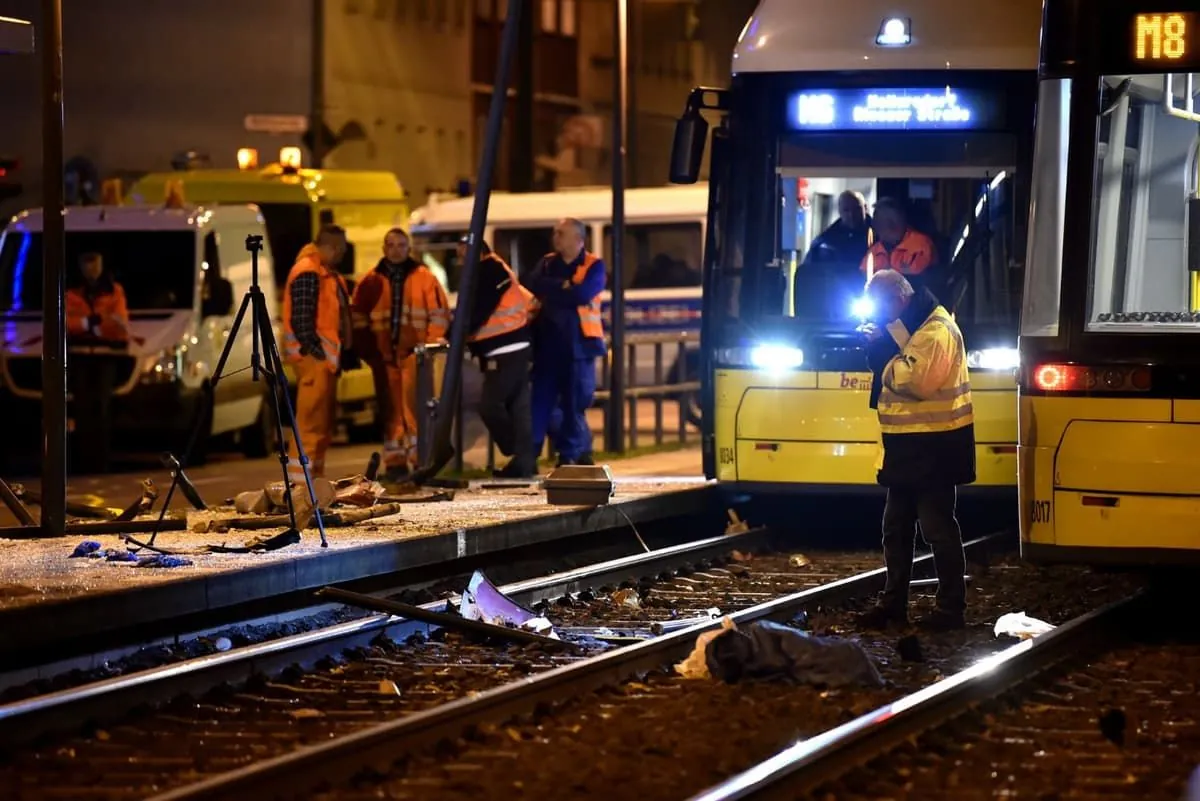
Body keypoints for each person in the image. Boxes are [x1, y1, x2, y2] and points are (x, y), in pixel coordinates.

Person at [855, 269, 975, 631]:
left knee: (937, 529)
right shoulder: (913, 322)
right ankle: (894, 605)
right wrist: (884, 340)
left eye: (881, 306)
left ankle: (951, 609)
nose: (879, 313)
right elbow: (905, 354)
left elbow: (918, 380)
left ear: (900, 298)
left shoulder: (937, 329)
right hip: (909, 448)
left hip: (936, 447)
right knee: (896, 528)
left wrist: (881, 356)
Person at [350, 227, 449, 480]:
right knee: (390, 411)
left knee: (413, 409)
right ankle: (395, 462)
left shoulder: (424, 278)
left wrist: (427, 348)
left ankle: (418, 461)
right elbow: (358, 319)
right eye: (391, 245)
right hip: (384, 357)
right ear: (384, 249)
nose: (396, 250)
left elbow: (439, 315)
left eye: (401, 245)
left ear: (409, 249)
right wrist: (369, 353)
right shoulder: (370, 281)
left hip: (414, 355)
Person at [522, 217, 606, 468]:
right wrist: (564, 286)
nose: (555, 237)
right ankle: (530, 456)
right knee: (540, 404)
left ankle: (570, 454)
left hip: (578, 347)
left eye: (561, 233)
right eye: (555, 233)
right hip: (546, 346)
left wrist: (556, 292)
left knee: (574, 404)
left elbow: (582, 295)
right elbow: (533, 284)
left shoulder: (594, 265)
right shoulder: (548, 262)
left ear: (578, 239)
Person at [459, 235, 536, 478]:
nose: (461, 262)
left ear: (478, 253)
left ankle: (516, 450)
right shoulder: (496, 269)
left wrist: (457, 333)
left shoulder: (489, 270)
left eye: (463, 256)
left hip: (506, 348)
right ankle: (524, 462)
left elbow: (479, 309)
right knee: (518, 407)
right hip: (514, 346)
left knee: (490, 404)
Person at [282, 225, 353, 480]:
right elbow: (302, 321)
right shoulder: (308, 272)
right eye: (340, 251)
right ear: (331, 248)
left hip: (321, 362)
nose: (341, 256)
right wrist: (318, 354)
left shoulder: (324, 273)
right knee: (310, 427)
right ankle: (301, 486)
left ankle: (314, 484)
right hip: (313, 362)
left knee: (320, 429)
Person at [66, 252, 129, 473]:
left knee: (101, 410)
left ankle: (101, 460)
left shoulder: (113, 290)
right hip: (80, 356)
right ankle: (85, 461)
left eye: (94, 261)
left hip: (104, 357)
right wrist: (89, 323)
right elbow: (64, 323)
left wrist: (87, 326)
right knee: (82, 411)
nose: (90, 267)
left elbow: (119, 325)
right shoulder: (71, 290)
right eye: (86, 261)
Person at [796, 190, 873, 317]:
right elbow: (809, 276)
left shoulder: (880, 235)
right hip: (836, 303)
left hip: (871, 298)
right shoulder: (825, 243)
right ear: (840, 211)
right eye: (846, 210)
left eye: (856, 209)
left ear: (865, 208)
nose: (851, 214)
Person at [860, 197, 936, 278]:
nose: (874, 225)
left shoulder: (920, 245)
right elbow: (863, 274)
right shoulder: (875, 250)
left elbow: (919, 277)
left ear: (891, 224)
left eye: (878, 221)